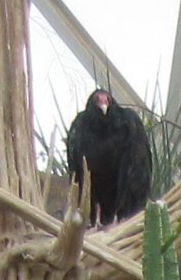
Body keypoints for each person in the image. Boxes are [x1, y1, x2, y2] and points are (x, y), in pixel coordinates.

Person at [65, 87, 153, 223]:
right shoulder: (81, 125)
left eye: (106, 101)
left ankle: (119, 218)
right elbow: (78, 174)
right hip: (95, 189)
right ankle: (97, 220)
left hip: (121, 194)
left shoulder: (128, 122)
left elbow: (137, 175)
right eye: (99, 101)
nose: (103, 105)